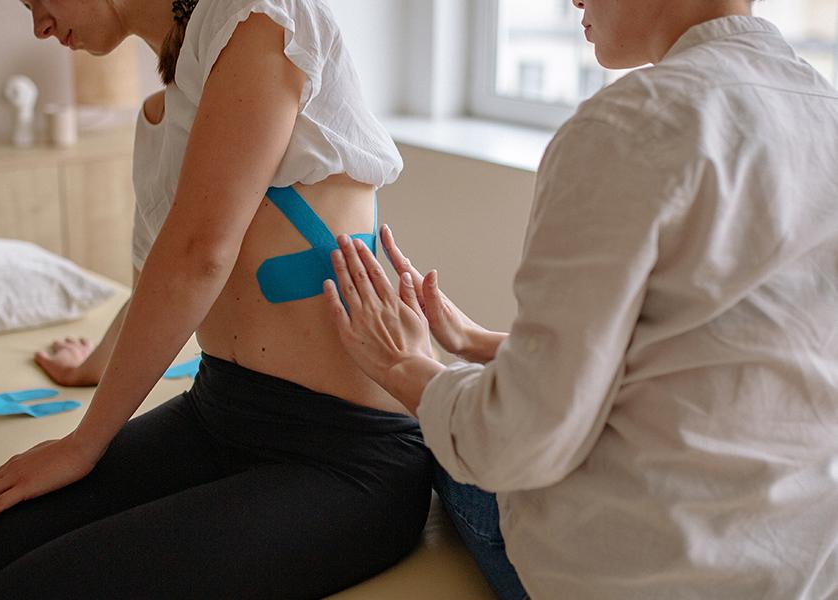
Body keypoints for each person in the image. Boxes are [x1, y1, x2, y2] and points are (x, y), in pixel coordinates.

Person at [324, 0, 838, 598]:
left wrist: (406, 368)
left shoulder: (627, 125)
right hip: (804, 567)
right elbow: (722, 352)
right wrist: (478, 344)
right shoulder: (822, 111)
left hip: (645, 574)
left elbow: (519, 442)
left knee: (435, 440)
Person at [0, 0, 434, 598]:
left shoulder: (260, 19)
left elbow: (202, 252)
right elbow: (162, 276)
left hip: (344, 454)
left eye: (37, 0)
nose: (39, 24)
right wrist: (91, 365)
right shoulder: (165, 112)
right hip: (220, 414)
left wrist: (83, 443)